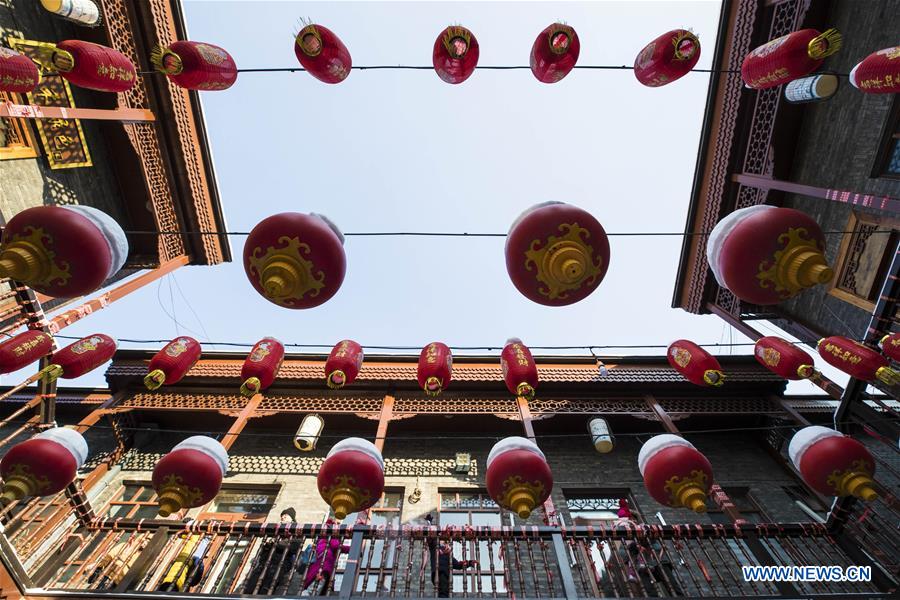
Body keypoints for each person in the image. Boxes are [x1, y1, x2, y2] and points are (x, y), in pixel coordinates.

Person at [242, 507, 303, 595]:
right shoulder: (276, 529)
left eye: (286, 515)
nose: (283, 517)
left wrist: (277, 544)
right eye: (282, 515)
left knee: (267, 588)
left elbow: (294, 547)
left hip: (280, 563)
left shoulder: (296, 530)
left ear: (291, 518)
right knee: (251, 587)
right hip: (265, 563)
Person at [425, 516, 478, 598]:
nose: (444, 541)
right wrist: (429, 523)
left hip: (446, 574)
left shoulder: (449, 553)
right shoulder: (434, 544)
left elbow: (457, 564)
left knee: (445, 589)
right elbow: (431, 535)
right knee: (443, 590)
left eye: (446, 541)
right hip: (438, 572)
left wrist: (469, 563)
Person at [300, 518, 350, 596]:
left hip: (319, 565)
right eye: (338, 524)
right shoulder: (331, 534)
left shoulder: (322, 537)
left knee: (314, 587)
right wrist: (352, 548)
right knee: (314, 588)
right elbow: (336, 546)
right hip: (324, 565)